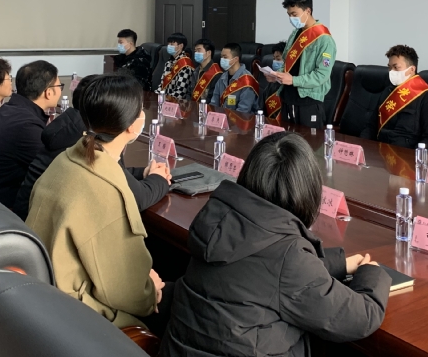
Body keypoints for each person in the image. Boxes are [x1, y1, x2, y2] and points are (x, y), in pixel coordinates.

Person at [159, 132, 390, 357]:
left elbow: (263, 271)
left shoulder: (219, 222)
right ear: (307, 191)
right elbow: (359, 318)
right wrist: (372, 274)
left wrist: (338, 264)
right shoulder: (288, 257)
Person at [26, 74, 172, 334]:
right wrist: (150, 288)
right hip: (76, 312)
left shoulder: (69, 156)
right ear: (131, 126)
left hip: (44, 290)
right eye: (140, 110)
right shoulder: (105, 189)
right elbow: (125, 290)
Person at [14, 74, 171, 220]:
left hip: (29, 223)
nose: (143, 114)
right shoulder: (93, 150)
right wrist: (159, 178)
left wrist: (143, 173)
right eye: (140, 109)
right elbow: (137, 198)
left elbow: (115, 173)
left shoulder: (84, 139)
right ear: (127, 122)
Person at [0, 60, 62, 209]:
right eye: (59, 86)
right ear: (49, 92)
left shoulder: (9, 111)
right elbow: (53, 168)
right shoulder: (26, 125)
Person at [267, 0, 336, 128]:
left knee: (308, 141)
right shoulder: (295, 33)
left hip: (308, 101)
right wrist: (276, 75)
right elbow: (288, 63)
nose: (291, 18)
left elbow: (321, 75)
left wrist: (293, 80)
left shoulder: (324, 39)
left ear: (307, 11)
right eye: (289, 15)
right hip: (287, 97)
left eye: (294, 14)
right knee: (287, 139)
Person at [361, 45, 428, 152]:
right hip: (380, 152)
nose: (391, 71)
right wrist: (361, 147)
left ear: (412, 69)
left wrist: (414, 158)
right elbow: (371, 127)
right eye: (389, 67)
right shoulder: (387, 92)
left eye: (396, 67)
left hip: (406, 156)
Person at [209, 43, 259, 114]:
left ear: (235, 59)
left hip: (241, 119)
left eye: (225, 57)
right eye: (221, 57)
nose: (222, 60)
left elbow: (243, 110)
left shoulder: (247, 80)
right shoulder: (222, 77)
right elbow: (214, 103)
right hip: (222, 118)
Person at [156, 32, 195, 99]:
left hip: (176, 102)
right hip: (164, 99)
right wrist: (155, 96)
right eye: (168, 44)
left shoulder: (186, 65)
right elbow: (162, 85)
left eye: (172, 44)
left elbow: (180, 92)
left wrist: (165, 99)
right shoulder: (169, 62)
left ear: (181, 46)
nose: (169, 46)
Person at [190, 38, 220, 103]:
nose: (196, 53)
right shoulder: (196, 70)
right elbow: (189, 92)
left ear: (209, 53)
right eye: (195, 51)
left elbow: (212, 98)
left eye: (199, 50)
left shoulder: (216, 73)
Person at [261, 42, 286, 120]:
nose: (275, 62)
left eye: (278, 59)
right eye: (274, 59)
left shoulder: (290, 81)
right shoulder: (271, 81)